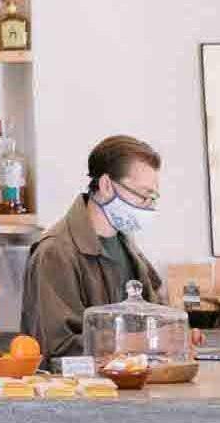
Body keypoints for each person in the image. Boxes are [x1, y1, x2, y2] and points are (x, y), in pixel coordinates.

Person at [21, 135, 166, 362]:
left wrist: (176, 335)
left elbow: (156, 318)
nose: (147, 207)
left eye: (152, 197)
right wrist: (142, 342)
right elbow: (57, 348)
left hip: (127, 382)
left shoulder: (128, 247)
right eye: (143, 195)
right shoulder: (55, 252)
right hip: (76, 386)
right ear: (106, 185)